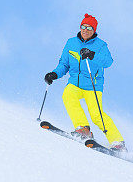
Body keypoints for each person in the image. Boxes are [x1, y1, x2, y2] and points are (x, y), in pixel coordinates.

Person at [44, 14, 126, 151]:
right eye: (83, 27)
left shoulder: (100, 45)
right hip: (75, 83)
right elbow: (64, 63)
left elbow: (108, 62)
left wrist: (92, 55)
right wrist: (54, 74)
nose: (86, 30)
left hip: (92, 86)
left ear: (94, 30)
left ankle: (118, 142)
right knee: (68, 96)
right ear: (80, 27)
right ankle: (83, 128)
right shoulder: (71, 43)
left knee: (96, 114)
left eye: (89, 28)